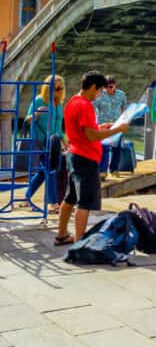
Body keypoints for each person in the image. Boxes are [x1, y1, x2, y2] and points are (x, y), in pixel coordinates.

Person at [54, 72, 130, 245]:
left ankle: (61, 234)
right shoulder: (85, 105)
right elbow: (91, 136)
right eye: (100, 90)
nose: (100, 94)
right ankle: (80, 244)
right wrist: (117, 130)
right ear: (93, 87)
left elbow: (83, 130)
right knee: (85, 203)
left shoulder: (72, 101)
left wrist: (100, 127)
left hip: (73, 155)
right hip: (85, 158)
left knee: (70, 198)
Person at [24, 75, 66, 205]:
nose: (58, 91)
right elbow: (27, 120)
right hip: (40, 141)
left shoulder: (58, 104)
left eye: (60, 88)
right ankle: (53, 203)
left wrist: (64, 142)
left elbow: (58, 127)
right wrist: (37, 113)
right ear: (48, 88)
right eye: (55, 88)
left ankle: (26, 197)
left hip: (53, 144)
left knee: (44, 172)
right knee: (51, 170)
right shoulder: (39, 100)